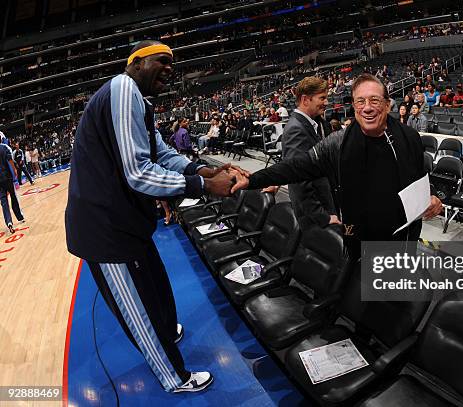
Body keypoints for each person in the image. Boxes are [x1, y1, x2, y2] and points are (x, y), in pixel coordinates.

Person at [65, 40, 244, 394]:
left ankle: (166, 334)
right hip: (104, 231)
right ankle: (174, 378)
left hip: (127, 222)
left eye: (172, 65)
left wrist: (199, 170)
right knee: (140, 311)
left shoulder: (139, 104)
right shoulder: (122, 88)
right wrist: (202, 186)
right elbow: (137, 172)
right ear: (136, 63)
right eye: (161, 61)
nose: (169, 69)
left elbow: (160, 153)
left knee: (157, 288)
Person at [232, 73, 442, 256]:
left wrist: (431, 197)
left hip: (404, 237)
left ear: (387, 105)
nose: (367, 108)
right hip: (360, 238)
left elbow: (420, 176)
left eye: (374, 100)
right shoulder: (338, 142)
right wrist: (252, 179)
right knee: (363, 293)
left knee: (395, 294)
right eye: (360, 102)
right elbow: (296, 166)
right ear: (354, 106)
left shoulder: (410, 137)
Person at [281, 76, 338, 229]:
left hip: (327, 201)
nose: (326, 102)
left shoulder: (318, 123)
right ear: (305, 100)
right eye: (322, 98)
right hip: (315, 216)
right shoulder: (296, 129)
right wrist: (323, 217)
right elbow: (299, 181)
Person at [0, 143, 24, 234]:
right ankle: (20, 217)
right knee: (13, 196)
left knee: (3, 201)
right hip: (7, 177)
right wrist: (14, 171)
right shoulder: (4, 147)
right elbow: (10, 160)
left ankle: (9, 222)